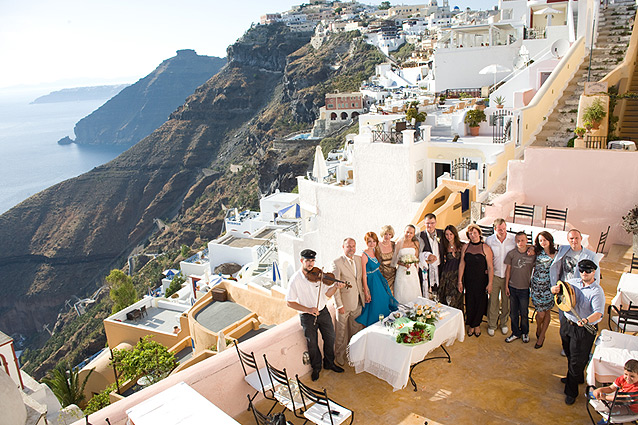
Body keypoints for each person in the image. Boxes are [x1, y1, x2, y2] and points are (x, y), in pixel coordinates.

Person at [550, 259, 605, 405]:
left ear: (594, 272)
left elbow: (598, 313)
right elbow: (559, 290)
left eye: (588, 271)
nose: (584, 273)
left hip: (583, 329)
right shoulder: (572, 282)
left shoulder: (596, 291)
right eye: (582, 270)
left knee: (576, 360)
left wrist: (586, 320)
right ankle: (577, 377)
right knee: (569, 353)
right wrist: (553, 290)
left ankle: (571, 392)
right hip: (568, 325)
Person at [286, 249, 344, 381]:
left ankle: (329, 363)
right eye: (307, 261)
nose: (310, 264)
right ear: (302, 261)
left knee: (330, 338)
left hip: (323, 312)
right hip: (307, 316)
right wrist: (308, 309)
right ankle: (316, 367)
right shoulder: (295, 280)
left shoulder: (318, 275)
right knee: (312, 343)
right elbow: (289, 302)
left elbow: (327, 295)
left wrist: (335, 287)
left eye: (312, 261)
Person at [550, 229, 600, 356]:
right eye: (571, 238)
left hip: (580, 294)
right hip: (564, 292)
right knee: (564, 324)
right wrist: (554, 286)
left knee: (580, 324)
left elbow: (596, 278)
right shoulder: (563, 250)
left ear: (581, 238)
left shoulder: (591, 255)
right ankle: (566, 347)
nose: (574, 241)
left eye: (576, 238)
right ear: (568, 240)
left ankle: (582, 351)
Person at [330, 238, 366, 367]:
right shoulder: (337, 263)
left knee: (356, 331)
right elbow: (335, 286)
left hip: (357, 302)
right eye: (348, 246)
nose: (351, 248)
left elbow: (360, 280)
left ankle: (353, 354)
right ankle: (339, 356)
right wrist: (339, 305)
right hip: (344, 305)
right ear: (343, 247)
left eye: (353, 246)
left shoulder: (358, 259)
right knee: (341, 333)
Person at [355, 232, 398, 327]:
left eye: (374, 241)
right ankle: (376, 325)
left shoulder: (375, 250)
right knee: (376, 303)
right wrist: (366, 292)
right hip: (371, 282)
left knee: (384, 299)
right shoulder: (364, 255)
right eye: (369, 241)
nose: (372, 243)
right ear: (365, 242)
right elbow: (363, 275)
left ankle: (385, 323)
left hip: (378, 278)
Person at [458, 224, 493, 337]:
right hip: (468, 280)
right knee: (469, 301)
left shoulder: (485, 248)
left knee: (480, 302)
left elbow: (490, 267)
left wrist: (490, 283)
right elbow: (462, 264)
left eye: (474, 233)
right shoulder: (466, 247)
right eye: (470, 233)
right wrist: (460, 281)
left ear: (479, 233)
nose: (472, 235)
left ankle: (477, 324)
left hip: (481, 280)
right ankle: (471, 324)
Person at [485, 218, 516, 337]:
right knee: (493, 301)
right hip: (495, 275)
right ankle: (492, 324)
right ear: (495, 229)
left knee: (506, 301)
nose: (502, 231)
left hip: (509, 276)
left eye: (504, 229)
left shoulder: (513, 239)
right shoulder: (489, 240)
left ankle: (503, 323)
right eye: (500, 229)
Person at [504, 232, 536, 343]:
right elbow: (508, 270)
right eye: (518, 240)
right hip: (512, 287)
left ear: (527, 241)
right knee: (513, 313)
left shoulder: (532, 255)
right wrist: (506, 285)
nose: (520, 243)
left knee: (524, 312)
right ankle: (515, 332)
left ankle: (525, 332)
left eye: (522, 240)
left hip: (524, 288)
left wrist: (533, 248)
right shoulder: (511, 254)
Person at [530, 231, 557, 349]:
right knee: (540, 314)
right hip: (537, 286)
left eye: (545, 240)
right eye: (540, 240)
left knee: (547, 311)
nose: (543, 242)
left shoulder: (556, 254)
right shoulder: (537, 251)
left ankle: (542, 336)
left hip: (549, 287)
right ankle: (539, 328)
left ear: (550, 240)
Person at [392, 225, 423, 304]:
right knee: (402, 291)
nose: (408, 234)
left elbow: (416, 257)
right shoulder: (399, 243)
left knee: (413, 290)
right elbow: (395, 260)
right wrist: (403, 263)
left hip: (412, 270)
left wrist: (412, 262)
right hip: (402, 271)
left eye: (411, 233)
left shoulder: (416, 243)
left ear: (414, 234)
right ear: (404, 232)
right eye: (407, 232)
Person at [418, 213, 445, 300]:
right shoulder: (419, 236)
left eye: (432, 223)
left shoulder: (442, 233)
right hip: (426, 269)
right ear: (424, 223)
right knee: (426, 292)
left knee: (439, 291)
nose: (430, 225)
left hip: (439, 267)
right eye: (428, 223)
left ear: (436, 222)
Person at [438, 224, 465, 311]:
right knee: (446, 299)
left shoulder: (462, 246)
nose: (449, 236)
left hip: (458, 275)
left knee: (457, 299)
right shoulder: (444, 246)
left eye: (451, 234)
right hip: (446, 276)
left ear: (455, 234)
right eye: (446, 234)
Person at [377, 225, 396, 293]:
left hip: (393, 274)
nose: (387, 236)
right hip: (382, 274)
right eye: (385, 234)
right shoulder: (377, 245)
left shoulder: (394, 244)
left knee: (393, 293)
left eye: (389, 234)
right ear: (382, 234)